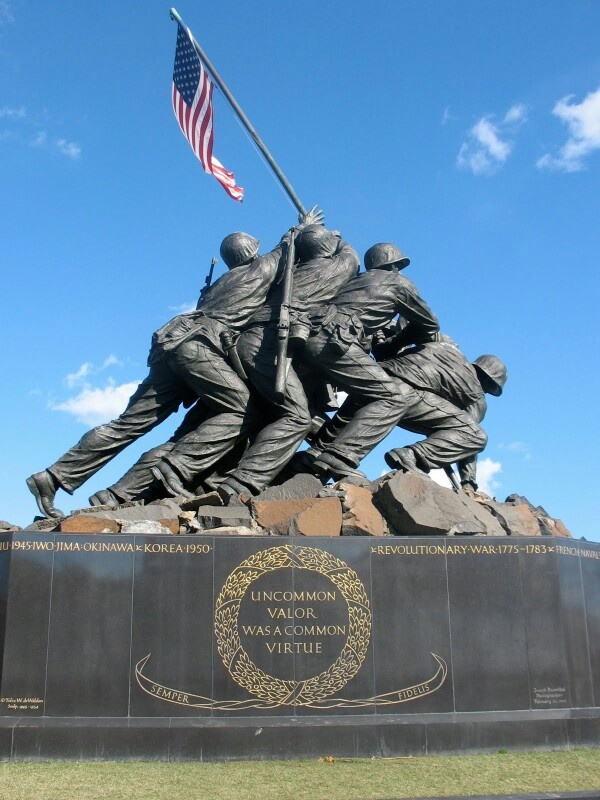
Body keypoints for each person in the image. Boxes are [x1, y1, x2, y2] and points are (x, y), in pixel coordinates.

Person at [26, 212, 321, 518]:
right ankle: (175, 468)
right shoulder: (260, 267)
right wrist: (304, 225)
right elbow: (290, 246)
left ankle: (54, 476)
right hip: (198, 347)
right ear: (252, 251)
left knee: (127, 424)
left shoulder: (221, 282)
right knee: (241, 408)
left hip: (171, 343)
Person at [212, 224, 360, 500]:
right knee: (296, 416)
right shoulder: (332, 269)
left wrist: (300, 236)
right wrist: (338, 237)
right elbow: (351, 256)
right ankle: (239, 484)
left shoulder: (282, 277)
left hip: (246, 342)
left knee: (281, 411)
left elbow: (283, 254)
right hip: (268, 343)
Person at [290, 242, 440, 481]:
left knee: (299, 409)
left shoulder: (353, 281)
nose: (400, 271)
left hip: (305, 338)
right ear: (391, 266)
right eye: (398, 266)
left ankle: (310, 455)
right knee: (392, 398)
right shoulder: (400, 283)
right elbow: (430, 324)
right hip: (334, 341)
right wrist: (394, 344)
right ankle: (340, 456)